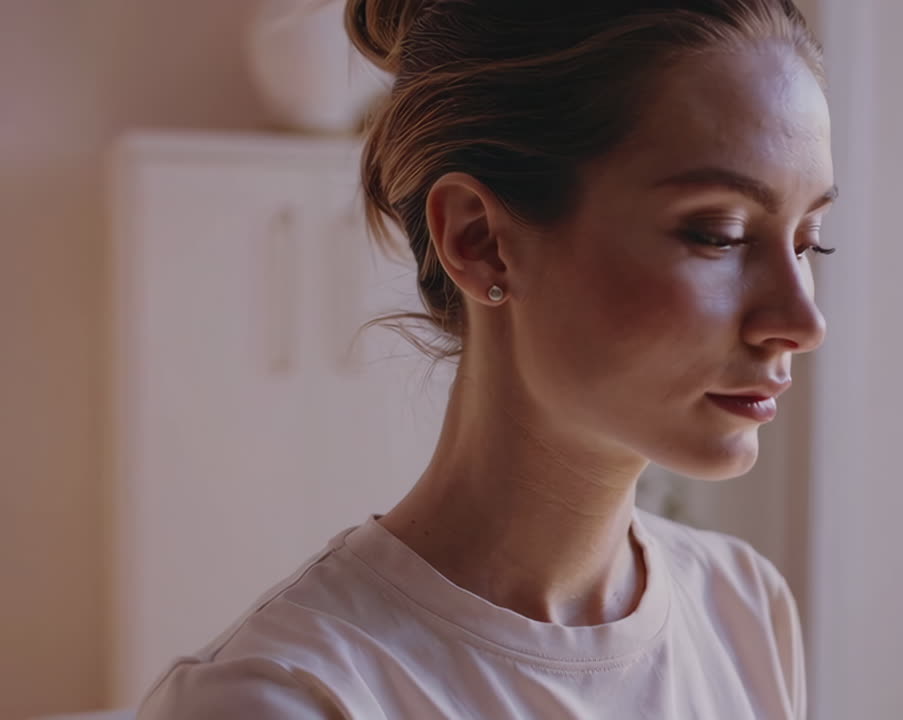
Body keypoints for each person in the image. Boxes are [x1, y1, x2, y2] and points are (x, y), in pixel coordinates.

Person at [138, 0, 835, 717]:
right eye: (718, 234)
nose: (802, 322)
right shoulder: (288, 698)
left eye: (811, 241)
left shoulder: (743, 608)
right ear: (478, 240)